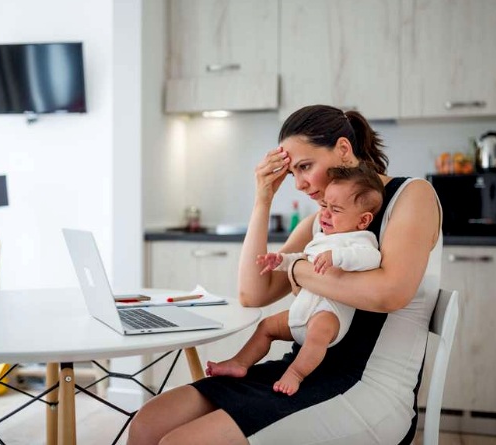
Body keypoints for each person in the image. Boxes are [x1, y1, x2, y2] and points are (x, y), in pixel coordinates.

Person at [127, 105, 442, 445]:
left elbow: (389, 294)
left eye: (306, 166)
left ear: (343, 149)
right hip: (299, 371)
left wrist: (295, 268)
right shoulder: (319, 222)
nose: (301, 184)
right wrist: (263, 199)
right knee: (149, 423)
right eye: (293, 173)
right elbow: (254, 293)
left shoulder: (412, 196)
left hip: (369, 387)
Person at [206, 164, 385, 397]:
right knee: (267, 327)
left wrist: (338, 257)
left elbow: (371, 258)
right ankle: (239, 362)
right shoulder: (321, 236)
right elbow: (303, 258)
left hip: (329, 315)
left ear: (363, 220)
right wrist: (281, 260)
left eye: (336, 209)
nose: (325, 214)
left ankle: (296, 374)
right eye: (324, 206)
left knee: (317, 336)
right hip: (302, 312)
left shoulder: (360, 239)